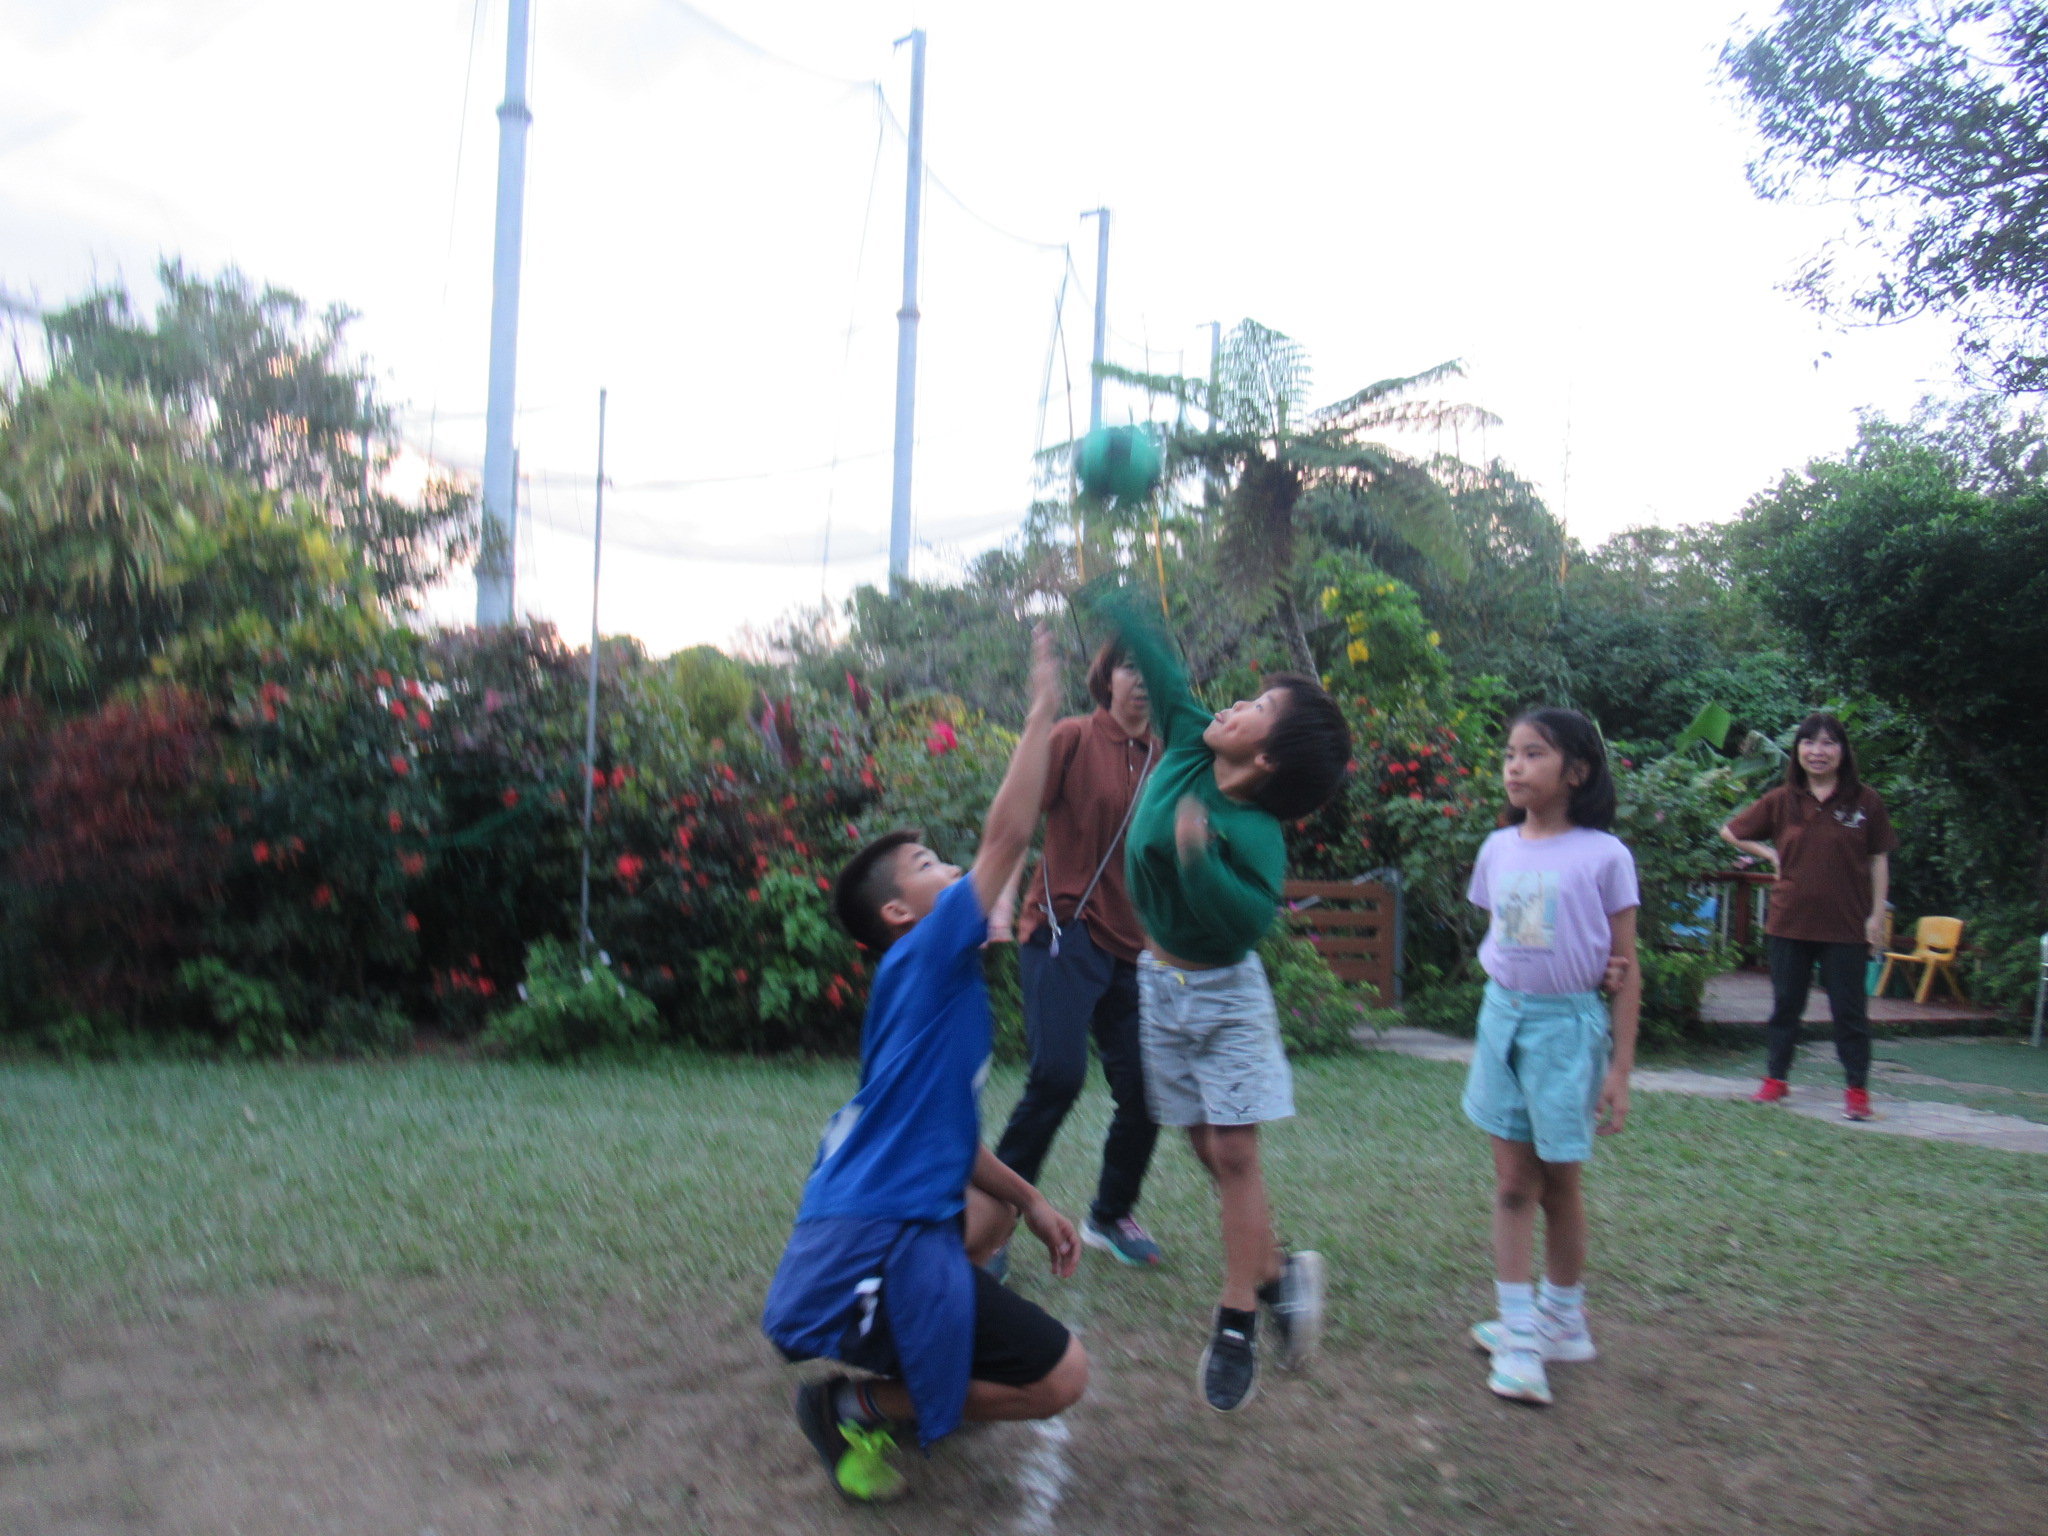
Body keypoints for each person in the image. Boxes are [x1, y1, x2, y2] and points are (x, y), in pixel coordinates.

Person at [760, 627, 1089, 1504]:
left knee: (993, 1210)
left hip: (870, 1215)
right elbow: (1007, 836)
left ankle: (923, 1352)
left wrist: (1034, 1200)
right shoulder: (924, 958)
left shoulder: (927, 989)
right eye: (931, 865)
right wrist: (1042, 712)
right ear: (902, 914)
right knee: (1062, 1377)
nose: (955, 870)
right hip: (873, 1239)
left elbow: (946, 1142)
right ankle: (853, 1404)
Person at [1085, 582, 1351, 1413]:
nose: (1236, 704)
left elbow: (1241, 923)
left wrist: (1199, 860)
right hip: (1159, 985)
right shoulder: (1190, 742)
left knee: (1235, 1154)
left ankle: (1237, 1323)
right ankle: (1277, 1277)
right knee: (1205, 1146)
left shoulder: (1256, 834)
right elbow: (1161, 663)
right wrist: (1111, 595)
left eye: (1259, 708)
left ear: (1267, 759)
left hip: (1226, 997)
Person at [1462, 708, 1641, 1409]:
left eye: (1533, 753)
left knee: (1560, 1182)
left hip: (1568, 1030)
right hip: (1502, 1019)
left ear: (1577, 771)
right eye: (1510, 753)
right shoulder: (1497, 848)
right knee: (1513, 1183)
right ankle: (1519, 1334)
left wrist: (1620, 1069)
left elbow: (1626, 962)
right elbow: (1507, 936)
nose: (1514, 765)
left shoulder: (1605, 855)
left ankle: (1562, 1320)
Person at [986, 639, 1165, 1272]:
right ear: (1106, 677)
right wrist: (1000, 902)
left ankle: (1110, 1215)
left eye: (1150, 669)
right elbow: (1017, 822)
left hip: (1133, 946)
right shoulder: (1073, 737)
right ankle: (991, 1225)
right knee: (1058, 1076)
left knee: (1147, 1088)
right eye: (1128, 666)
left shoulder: (1165, 759)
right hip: (1063, 929)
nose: (1139, 680)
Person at [1720, 711, 1895, 1122]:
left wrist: (1876, 917)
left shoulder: (1865, 801)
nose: (1818, 751)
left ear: (1842, 751)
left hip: (1846, 925)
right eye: (1809, 742)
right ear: (1798, 750)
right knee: (1786, 1006)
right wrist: (1770, 854)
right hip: (1790, 921)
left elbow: (1879, 860)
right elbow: (1731, 831)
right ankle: (1775, 1079)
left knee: (1849, 1012)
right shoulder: (1782, 800)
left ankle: (1857, 1091)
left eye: (1828, 743)